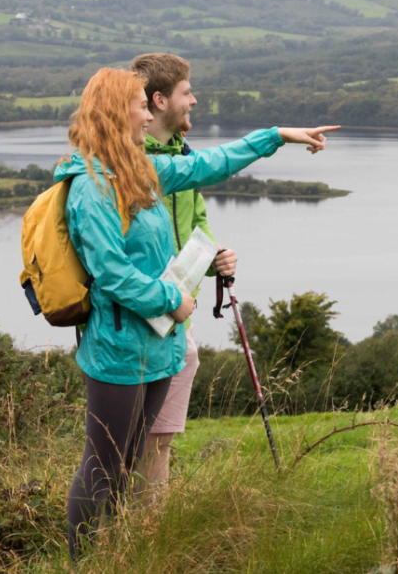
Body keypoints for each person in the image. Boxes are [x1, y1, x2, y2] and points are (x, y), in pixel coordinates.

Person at [58, 66, 336, 556]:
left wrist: (276, 136)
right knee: (102, 465)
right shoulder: (93, 187)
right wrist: (174, 301)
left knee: (128, 462)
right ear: (116, 113)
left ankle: (116, 555)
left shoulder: (142, 170)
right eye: (140, 107)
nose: (148, 116)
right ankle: (81, 561)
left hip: (157, 347)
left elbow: (210, 165)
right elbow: (112, 274)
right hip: (118, 351)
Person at [129, 52, 231, 502]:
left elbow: (197, 224)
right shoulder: (130, 164)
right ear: (159, 100)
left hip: (177, 318)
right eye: (187, 92)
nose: (194, 100)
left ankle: (153, 527)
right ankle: (124, 528)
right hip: (138, 317)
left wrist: (214, 258)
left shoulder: (181, 155)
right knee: (130, 439)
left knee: (161, 439)